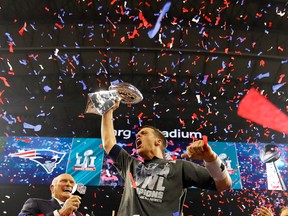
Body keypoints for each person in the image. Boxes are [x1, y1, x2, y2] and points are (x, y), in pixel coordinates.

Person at [101, 99, 232, 216]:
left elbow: (224, 185)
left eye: (144, 133)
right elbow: (109, 144)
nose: (138, 136)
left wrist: (211, 159)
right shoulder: (131, 165)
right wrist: (108, 110)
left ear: (158, 142)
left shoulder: (179, 167)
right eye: (137, 135)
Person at [18, 173, 83, 216]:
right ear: (52, 188)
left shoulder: (78, 214)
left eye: (72, 182)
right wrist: (60, 213)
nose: (69, 184)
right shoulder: (36, 203)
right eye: (64, 181)